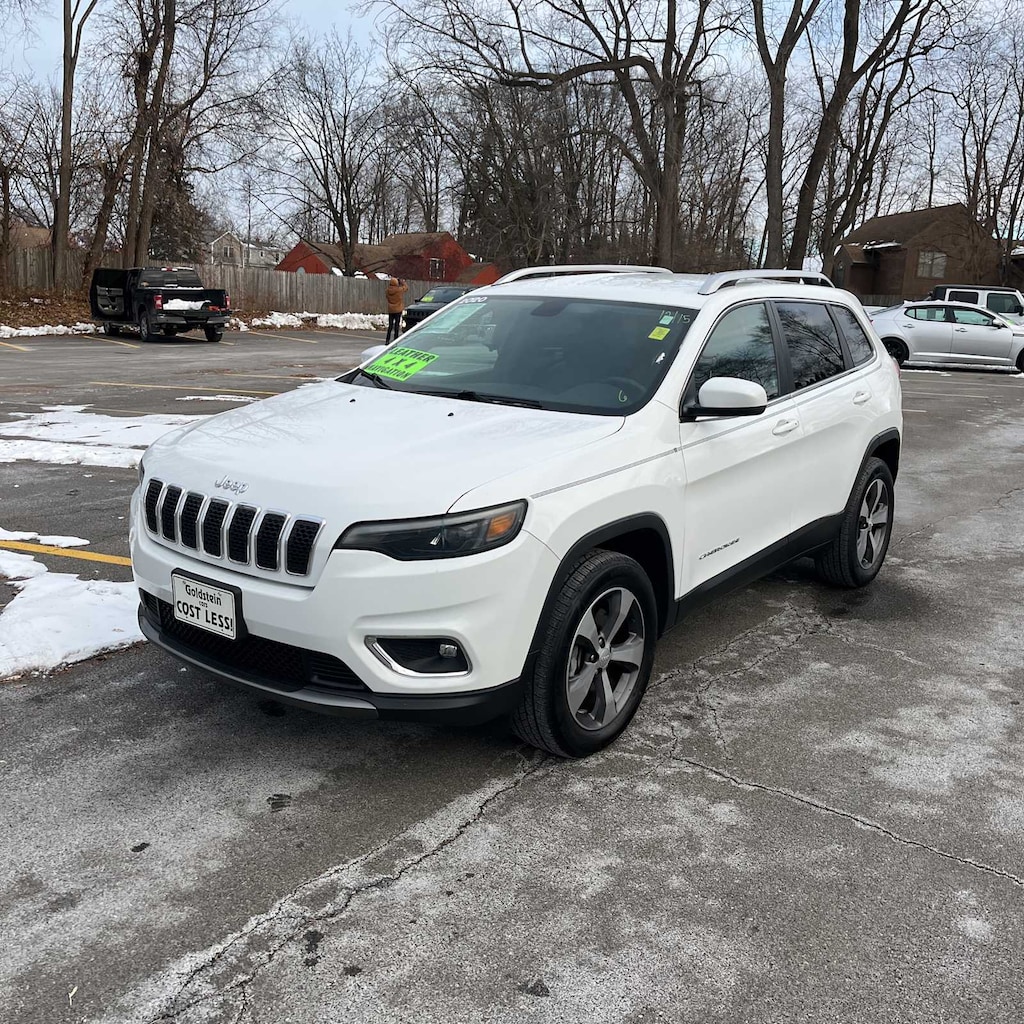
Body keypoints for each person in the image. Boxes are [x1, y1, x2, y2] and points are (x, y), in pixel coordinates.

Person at [385, 277, 409, 343]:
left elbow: (387, 297)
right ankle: (396, 339)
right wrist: (402, 282)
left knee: (390, 325)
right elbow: (406, 288)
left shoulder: (387, 291)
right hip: (398, 309)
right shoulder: (399, 290)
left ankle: (387, 340)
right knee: (396, 325)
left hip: (391, 309)